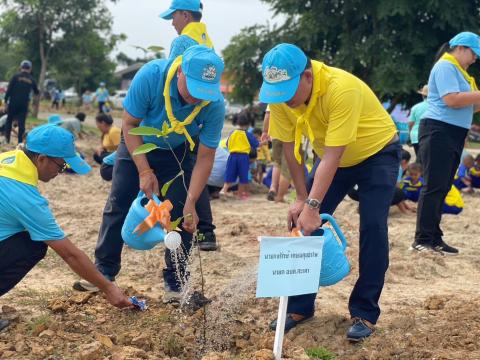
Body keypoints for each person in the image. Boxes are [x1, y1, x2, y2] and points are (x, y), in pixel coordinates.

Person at [261, 44, 400, 341]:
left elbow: (334, 156)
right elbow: (290, 150)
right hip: (331, 159)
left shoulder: (341, 89)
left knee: (373, 226)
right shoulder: (282, 99)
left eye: (288, 91)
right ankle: (299, 306)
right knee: (302, 224)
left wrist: (313, 204)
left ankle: (365, 311)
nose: (284, 100)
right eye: (278, 92)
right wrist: (301, 198)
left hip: (376, 153)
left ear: (307, 77)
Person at [72, 45, 225, 304]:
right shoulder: (150, 76)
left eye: (204, 93)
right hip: (138, 142)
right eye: (193, 90)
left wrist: (192, 201)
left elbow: (205, 157)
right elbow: (129, 124)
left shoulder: (214, 105)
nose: (196, 99)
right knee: (118, 202)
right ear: (180, 73)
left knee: (180, 213)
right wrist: (144, 170)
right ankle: (104, 271)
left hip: (177, 151)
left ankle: (176, 284)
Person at [0, 125, 132, 331]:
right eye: (61, 166)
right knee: (33, 245)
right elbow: (69, 254)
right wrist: (108, 288)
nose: (61, 172)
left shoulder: (6, 160)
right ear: (42, 158)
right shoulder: (25, 198)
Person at [413, 31, 480, 255]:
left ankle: (434, 236)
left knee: (442, 186)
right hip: (438, 130)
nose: (475, 59)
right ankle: (422, 239)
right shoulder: (446, 66)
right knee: (433, 186)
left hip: (453, 132)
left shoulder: (462, 72)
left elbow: (472, 105)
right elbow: (451, 100)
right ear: (460, 48)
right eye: (473, 53)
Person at [160, 0, 218, 251]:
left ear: (184, 14)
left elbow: (170, 78)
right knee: (197, 170)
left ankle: (203, 230)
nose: (172, 22)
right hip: (201, 114)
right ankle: (206, 232)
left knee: (191, 172)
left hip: (184, 118)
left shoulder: (184, 40)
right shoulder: (207, 39)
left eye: (173, 16)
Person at [222, 112, 259, 199]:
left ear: (237, 123)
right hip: (243, 157)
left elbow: (227, 144)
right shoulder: (247, 134)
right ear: (248, 124)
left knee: (229, 175)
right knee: (243, 176)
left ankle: (223, 190)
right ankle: (240, 194)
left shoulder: (232, 133)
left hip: (232, 156)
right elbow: (256, 144)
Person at [3, 60, 40, 145]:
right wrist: (34, 102)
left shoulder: (15, 77)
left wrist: (5, 102)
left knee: (9, 121)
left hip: (13, 102)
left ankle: (7, 139)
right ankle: (20, 142)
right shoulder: (32, 79)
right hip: (24, 104)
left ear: (21, 67)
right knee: (21, 123)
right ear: (30, 69)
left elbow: (9, 90)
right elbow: (37, 92)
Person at [409, 85, 429, 161]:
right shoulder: (436, 107)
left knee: (419, 159)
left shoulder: (415, 107)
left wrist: (410, 134)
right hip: (430, 137)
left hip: (415, 136)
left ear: (423, 95)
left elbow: (411, 124)